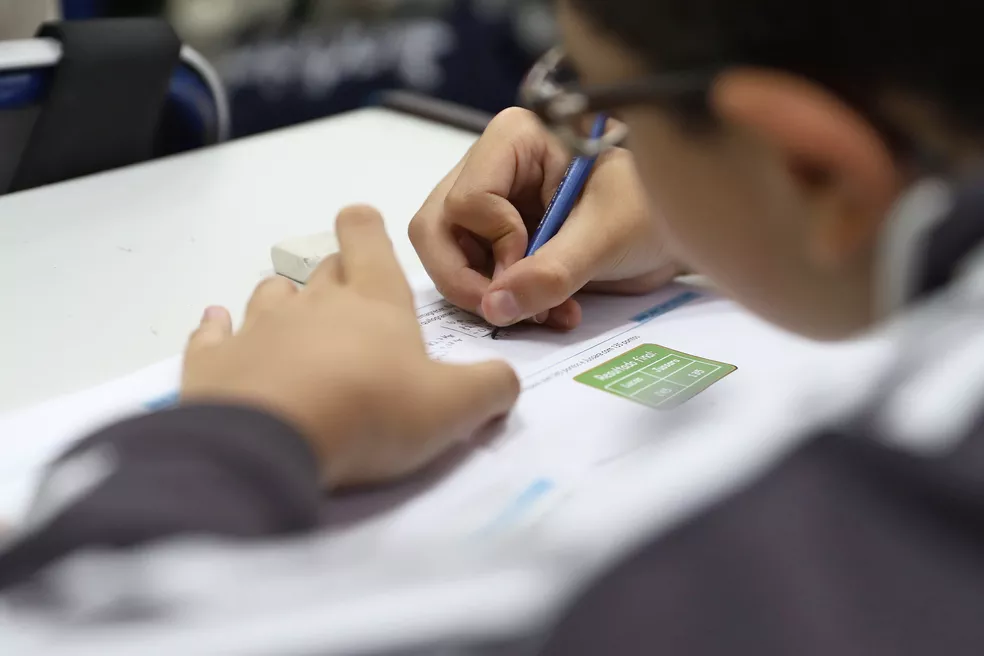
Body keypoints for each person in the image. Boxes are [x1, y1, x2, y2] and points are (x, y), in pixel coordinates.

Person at [3, 0, 984, 653]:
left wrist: (243, 431)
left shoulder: (776, 578)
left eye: (597, 99)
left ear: (814, 166)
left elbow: (65, 627)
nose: (588, 133)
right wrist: (731, 205)